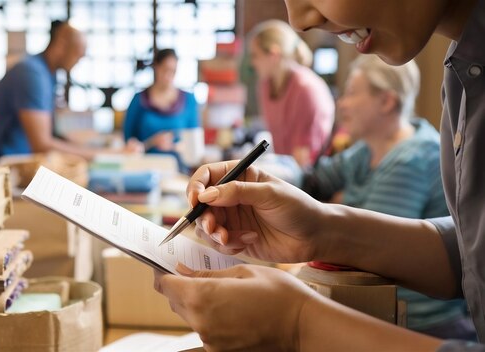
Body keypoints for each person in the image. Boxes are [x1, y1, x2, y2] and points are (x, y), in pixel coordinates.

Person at [154, 0, 485, 350]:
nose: (298, 21)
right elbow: (472, 254)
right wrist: (322, 229)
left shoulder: (418, 146)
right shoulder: (463, 72)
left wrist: (299, 323)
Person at [302, 54, 474, 339]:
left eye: (352, 93)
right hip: (380, 311)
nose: (341, 103)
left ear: (387, 101)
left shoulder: (412, 157)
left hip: (419, 325)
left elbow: (362, 249)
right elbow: (313, 181)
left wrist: (337, 203)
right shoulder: (368, 149)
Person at [0, 21, 142, 160]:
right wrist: (109, 154)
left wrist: (94, 145)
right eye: (79, 53)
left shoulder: (48, 74)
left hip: (19, 159)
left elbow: (52, 134)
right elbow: (42, 144)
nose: (80, 60)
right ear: (62, 43)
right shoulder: (31, 73)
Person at [249, 20, 334, 168]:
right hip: (286, 169)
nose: (252, 63)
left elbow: (303, 161)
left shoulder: (306, 90)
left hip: (309, 177)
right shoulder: (265, 85)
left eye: (255, 55)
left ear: (273, 55)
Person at [123, 48, 200, 173]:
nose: (168, 75)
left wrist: (173, 146)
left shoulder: (189, 100)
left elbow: (194, 145)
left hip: (178, 170)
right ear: (156, 67)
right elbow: (129, 141)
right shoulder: (139, 100)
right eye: (165, 70)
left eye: (173, 71)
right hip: (144, 168)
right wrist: (152, 142)